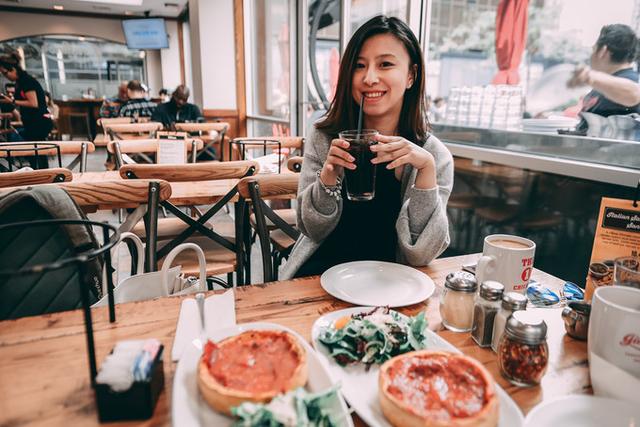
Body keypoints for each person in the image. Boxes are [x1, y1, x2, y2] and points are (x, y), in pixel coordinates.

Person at [281, 15, 453, 279]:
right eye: (359, 66)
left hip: (391, 284)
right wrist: (328, 177)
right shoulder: (324, 137)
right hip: (318, 276)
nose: (369, 78)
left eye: (385, 64)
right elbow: (311, 229)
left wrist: (426, 172)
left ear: (411, 75)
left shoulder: (433, 156)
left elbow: (421, 254)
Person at [567, 24, 640, 132]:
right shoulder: (603, 83)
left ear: (603, 51)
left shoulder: (631, 79)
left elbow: (635, 94)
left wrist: (590, 76)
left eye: (593, 49)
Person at [0, 51, 54, 167]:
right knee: (34, 154)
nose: (5, 76)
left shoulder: (26, 81)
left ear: (13, 69)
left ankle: (43, 174)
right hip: (32, 122)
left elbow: (33, 103)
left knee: (38, 154)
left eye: (5, 73)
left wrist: (12, 101)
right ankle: (37, 173)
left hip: (39, 122)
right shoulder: (20, 82)